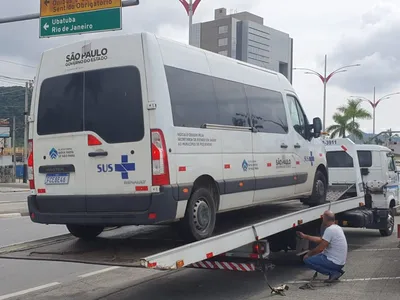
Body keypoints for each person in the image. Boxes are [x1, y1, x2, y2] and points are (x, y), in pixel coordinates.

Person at [297, 210, 347, 283]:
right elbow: (321, 240)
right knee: (317, 256)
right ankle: (337, 270)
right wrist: (305, 236)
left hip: (334, 262)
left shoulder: (329, 230)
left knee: (307, 260)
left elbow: (320, 249)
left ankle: (333, 273)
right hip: (340, 262)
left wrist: (308, 254)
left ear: (325, 219)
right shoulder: (337, 228)